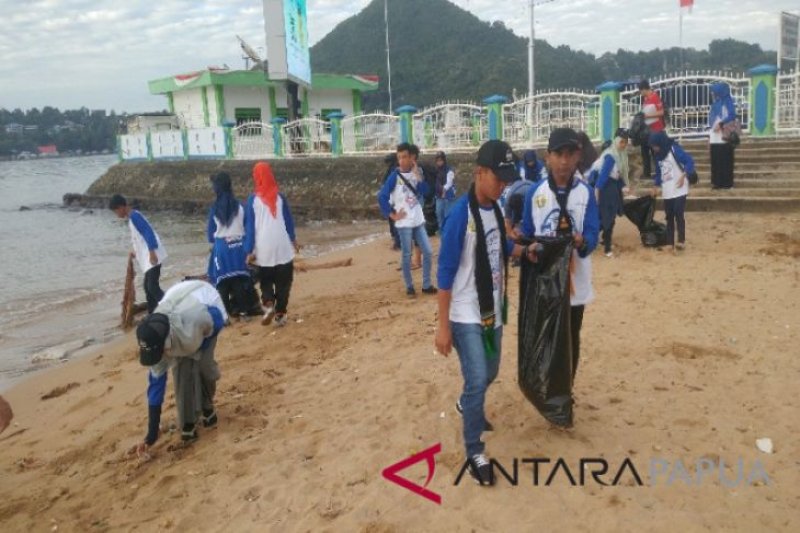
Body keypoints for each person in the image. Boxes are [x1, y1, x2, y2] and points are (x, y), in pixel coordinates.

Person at [435, 140, 526, 486]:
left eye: (507, 178)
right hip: (464, 312)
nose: (503, 184)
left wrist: (522, 250)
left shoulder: (495, 209)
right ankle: (474, 450)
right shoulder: (460, 215)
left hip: (493, 310)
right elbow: (444, 272)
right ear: (479, 173)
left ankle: (466, 403)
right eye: (498, 177)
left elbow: (498, 245)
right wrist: (442, 327)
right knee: (476, 379)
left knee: (489, 374)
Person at [521, 127, 600, 382]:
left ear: (578, 157)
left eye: (569, 154)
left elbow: (591, 233)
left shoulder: (585, 193)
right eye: (558, 154)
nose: (564, 161)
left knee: (570, 337)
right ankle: (547, 385)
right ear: (548, 156)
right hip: (546, 282)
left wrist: (582, 241)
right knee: (546, 334)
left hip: (575, 283)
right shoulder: (535, 193)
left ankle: (565, 389)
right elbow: (529, 233)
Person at [134, 280, 226, 453]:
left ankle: (207, 408)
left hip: (207, 307)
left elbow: (217, 320)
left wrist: (199, 350)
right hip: (178, 303)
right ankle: (188, 423)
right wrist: (151, 436)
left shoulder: (194, 322)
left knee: (204, 367)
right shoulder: (154, 335)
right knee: (181, 371)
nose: (159, 358)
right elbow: (156, 388)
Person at [378, 143, 437, 297]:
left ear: (413, 158)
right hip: (403, 222)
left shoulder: (419, 172)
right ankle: (409, 287)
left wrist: (419, 178)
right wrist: (392, 214)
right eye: (399, 157)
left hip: (418, 219)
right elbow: (382, 196)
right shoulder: (394, 176)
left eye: (404, 157)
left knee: (428, 252)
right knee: (406, 254)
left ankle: (426, 284)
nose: (401, 160)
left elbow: (426, 193)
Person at [244, 162, 299, 327]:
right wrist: (294, 240)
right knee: (284, 282)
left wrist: (248, 250)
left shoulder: (253, 201)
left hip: (264, 248)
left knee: (266, 280)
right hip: (282, 246)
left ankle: (268, 305)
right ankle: (280, 314)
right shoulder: (280, 198)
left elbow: (250, 228)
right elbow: (288, 221)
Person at [206, 172, 254, 318]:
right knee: (239, 281)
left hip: (221, 249)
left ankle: (225, 315)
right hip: (239, 247)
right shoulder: (241, 206)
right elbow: (248, 228)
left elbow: (210, 235)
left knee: (222, 284)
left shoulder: (214, 209)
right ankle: (244, 312)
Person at [109, 194, 167, 313]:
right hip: (148, 256)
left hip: (152, 256)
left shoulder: (135, 217)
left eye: (116, 211)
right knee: (147, 287)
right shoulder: (132, 217)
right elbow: (139, 238)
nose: (117, 214)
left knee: (152, 287)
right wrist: (135, 252)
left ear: (121, 207)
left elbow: (148, 232)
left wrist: (152, 252)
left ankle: (170, 305)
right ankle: (153, 311)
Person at [649, 131, 695, 252]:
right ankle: (670, 242)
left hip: (680, 187)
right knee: (669, 216)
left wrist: (683, 175)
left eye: (655, 145)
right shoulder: (657, 155)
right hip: (667, 190)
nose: (654, 148)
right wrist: (655, 185)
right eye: (653, 146)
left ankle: (681, 241)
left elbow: (689, 161)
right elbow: (659, 173)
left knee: (678, 213)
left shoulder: (674, 149)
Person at [593, 129, 631, 257]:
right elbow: (603, 175)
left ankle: (602, 242)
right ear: (616, 141)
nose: (624, 145)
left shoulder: (619, 156)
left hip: (612, 189)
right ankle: (607, 249)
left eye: (625, 142)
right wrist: (597, 190)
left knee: (609, 219)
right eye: (622, 142)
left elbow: (617, 176)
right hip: (606, 191)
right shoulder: (611, 156)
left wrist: (623, 186)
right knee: (608, 219)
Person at [709, 82, 736, 189]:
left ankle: (727, 183)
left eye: (715, 91)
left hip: (724, 135)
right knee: (715, 160)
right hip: (714, 136)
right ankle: (717, 182)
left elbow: (732, 116)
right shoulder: (716, 103)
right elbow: (711, 119)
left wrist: (720, 124)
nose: (713, 94)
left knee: (725, 160)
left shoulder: (728, 102)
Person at [639, 80, 666, 179]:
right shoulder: (645, 99)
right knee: (644, 151)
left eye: (641, 91)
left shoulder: (655, 97)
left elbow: (661, 112)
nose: (640, 93)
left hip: (656, 129)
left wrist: (648, 115)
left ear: (645, 89)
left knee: (655, 152)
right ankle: (647, 173)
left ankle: (659, 173)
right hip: (647, 130)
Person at [382, 153, 401, 250]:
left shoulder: (392, 171)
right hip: (396, 199)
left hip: (393, 200)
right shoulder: (397, 169)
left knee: (394, 221)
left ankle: (397, 242)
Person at [433, 151, 456, 232]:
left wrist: (444, 190)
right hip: (439, 196)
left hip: (448, 196)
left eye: (441, 160)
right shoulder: (436, 170)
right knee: (439, 213)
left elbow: (449, 183)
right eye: (438, 161)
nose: (439, 162)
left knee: (448, 214)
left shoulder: (449, 170)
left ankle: (449, 231)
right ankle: (442, 231)